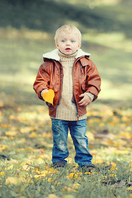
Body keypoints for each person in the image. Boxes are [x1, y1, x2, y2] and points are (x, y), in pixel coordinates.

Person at [33, 24, 101, 171]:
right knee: (60, 139)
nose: (68, 44)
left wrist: (90, 94)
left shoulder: (86, 63)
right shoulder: (48, 64)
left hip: (78, 112)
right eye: (63, 41)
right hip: (58, 111)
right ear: (57, 44)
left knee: (81, 139)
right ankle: (59, 161)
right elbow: (40, 81)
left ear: (79, 45)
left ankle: (85, 162)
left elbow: (95, 81)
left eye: (72, 41)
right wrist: (44, 91)